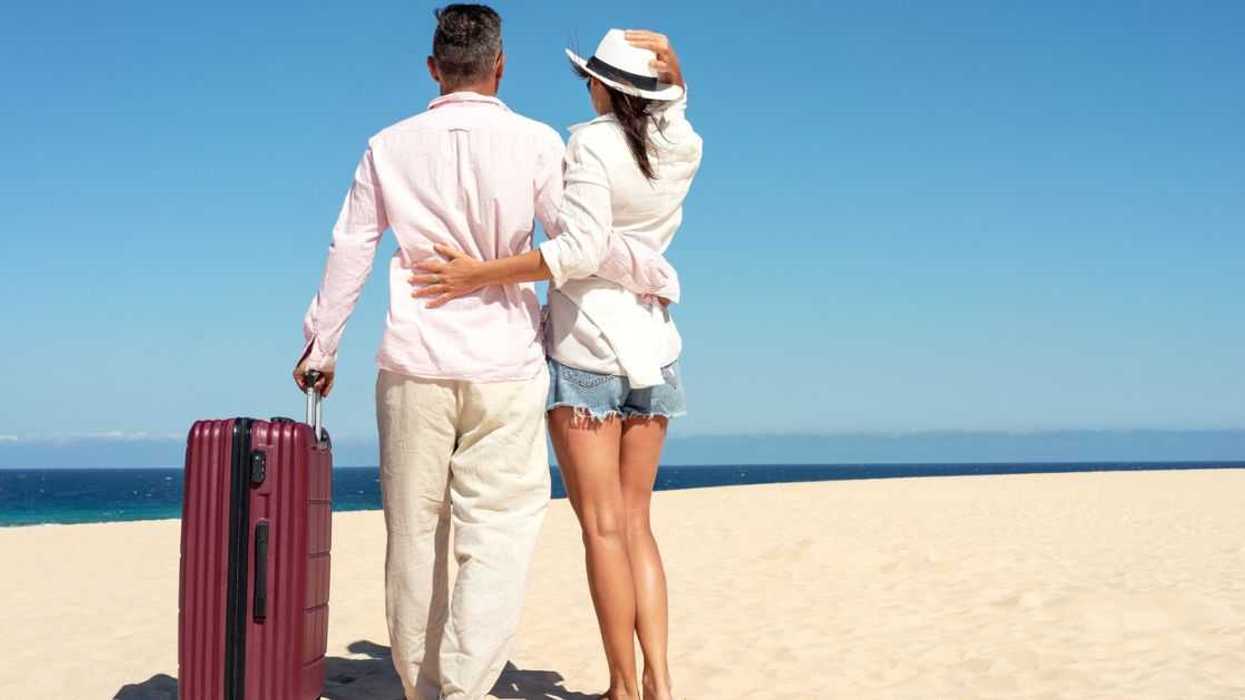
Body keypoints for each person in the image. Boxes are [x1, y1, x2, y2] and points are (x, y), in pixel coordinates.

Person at [293, 7, 678, 699]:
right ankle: (468, 687)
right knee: (496, 537)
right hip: (506, 368)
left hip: (413, 362)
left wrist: (321, 345)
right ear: (500, 67)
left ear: (433, 67)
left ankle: (421, 686)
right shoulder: (536, 143)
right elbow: (579, 245)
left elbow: (349, 247)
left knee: (412, 537)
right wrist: (654, 274)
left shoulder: (387, 144)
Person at [409, 28, 702, 700]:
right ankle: (658, 681)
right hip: (655, 344)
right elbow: (677, 107)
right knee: (636, 524)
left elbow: (576, 251)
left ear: (604, 87)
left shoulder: (592, 144)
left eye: (592, 79)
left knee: (601, 527)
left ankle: (623, 686)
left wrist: (477, 275)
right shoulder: (681, 146)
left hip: (589, 347)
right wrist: (671, 67)